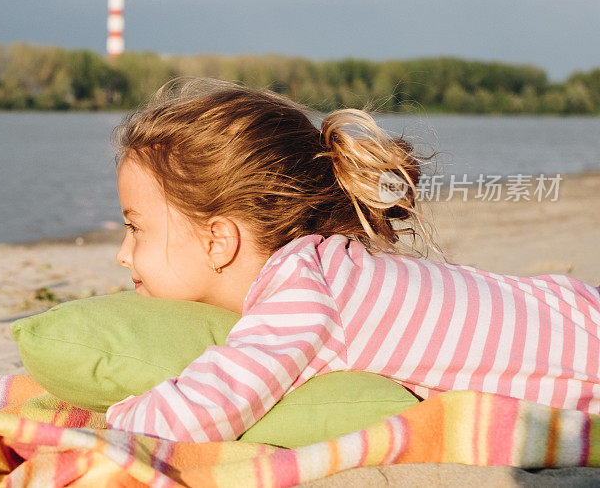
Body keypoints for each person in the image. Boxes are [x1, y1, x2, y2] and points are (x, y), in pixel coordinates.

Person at [105, 77, 600, 442]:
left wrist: (112, 417)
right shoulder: (331, 270)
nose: (124, 255)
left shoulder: (300, 296)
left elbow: (203, 410)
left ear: (219, 241)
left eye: (135, 228)